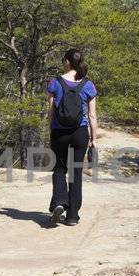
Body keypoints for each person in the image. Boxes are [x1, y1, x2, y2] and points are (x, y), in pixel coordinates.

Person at [45, 48, 98, 225]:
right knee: (76, 172)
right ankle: (73, 216)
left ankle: (60, 202)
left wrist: (50, 128)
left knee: (59, 168)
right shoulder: (88, 85)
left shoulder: (55, 82)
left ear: (67, 62)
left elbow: (51, 110)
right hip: (79, 132)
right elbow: (92, 115)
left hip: (59, 132)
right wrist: (94, 139)